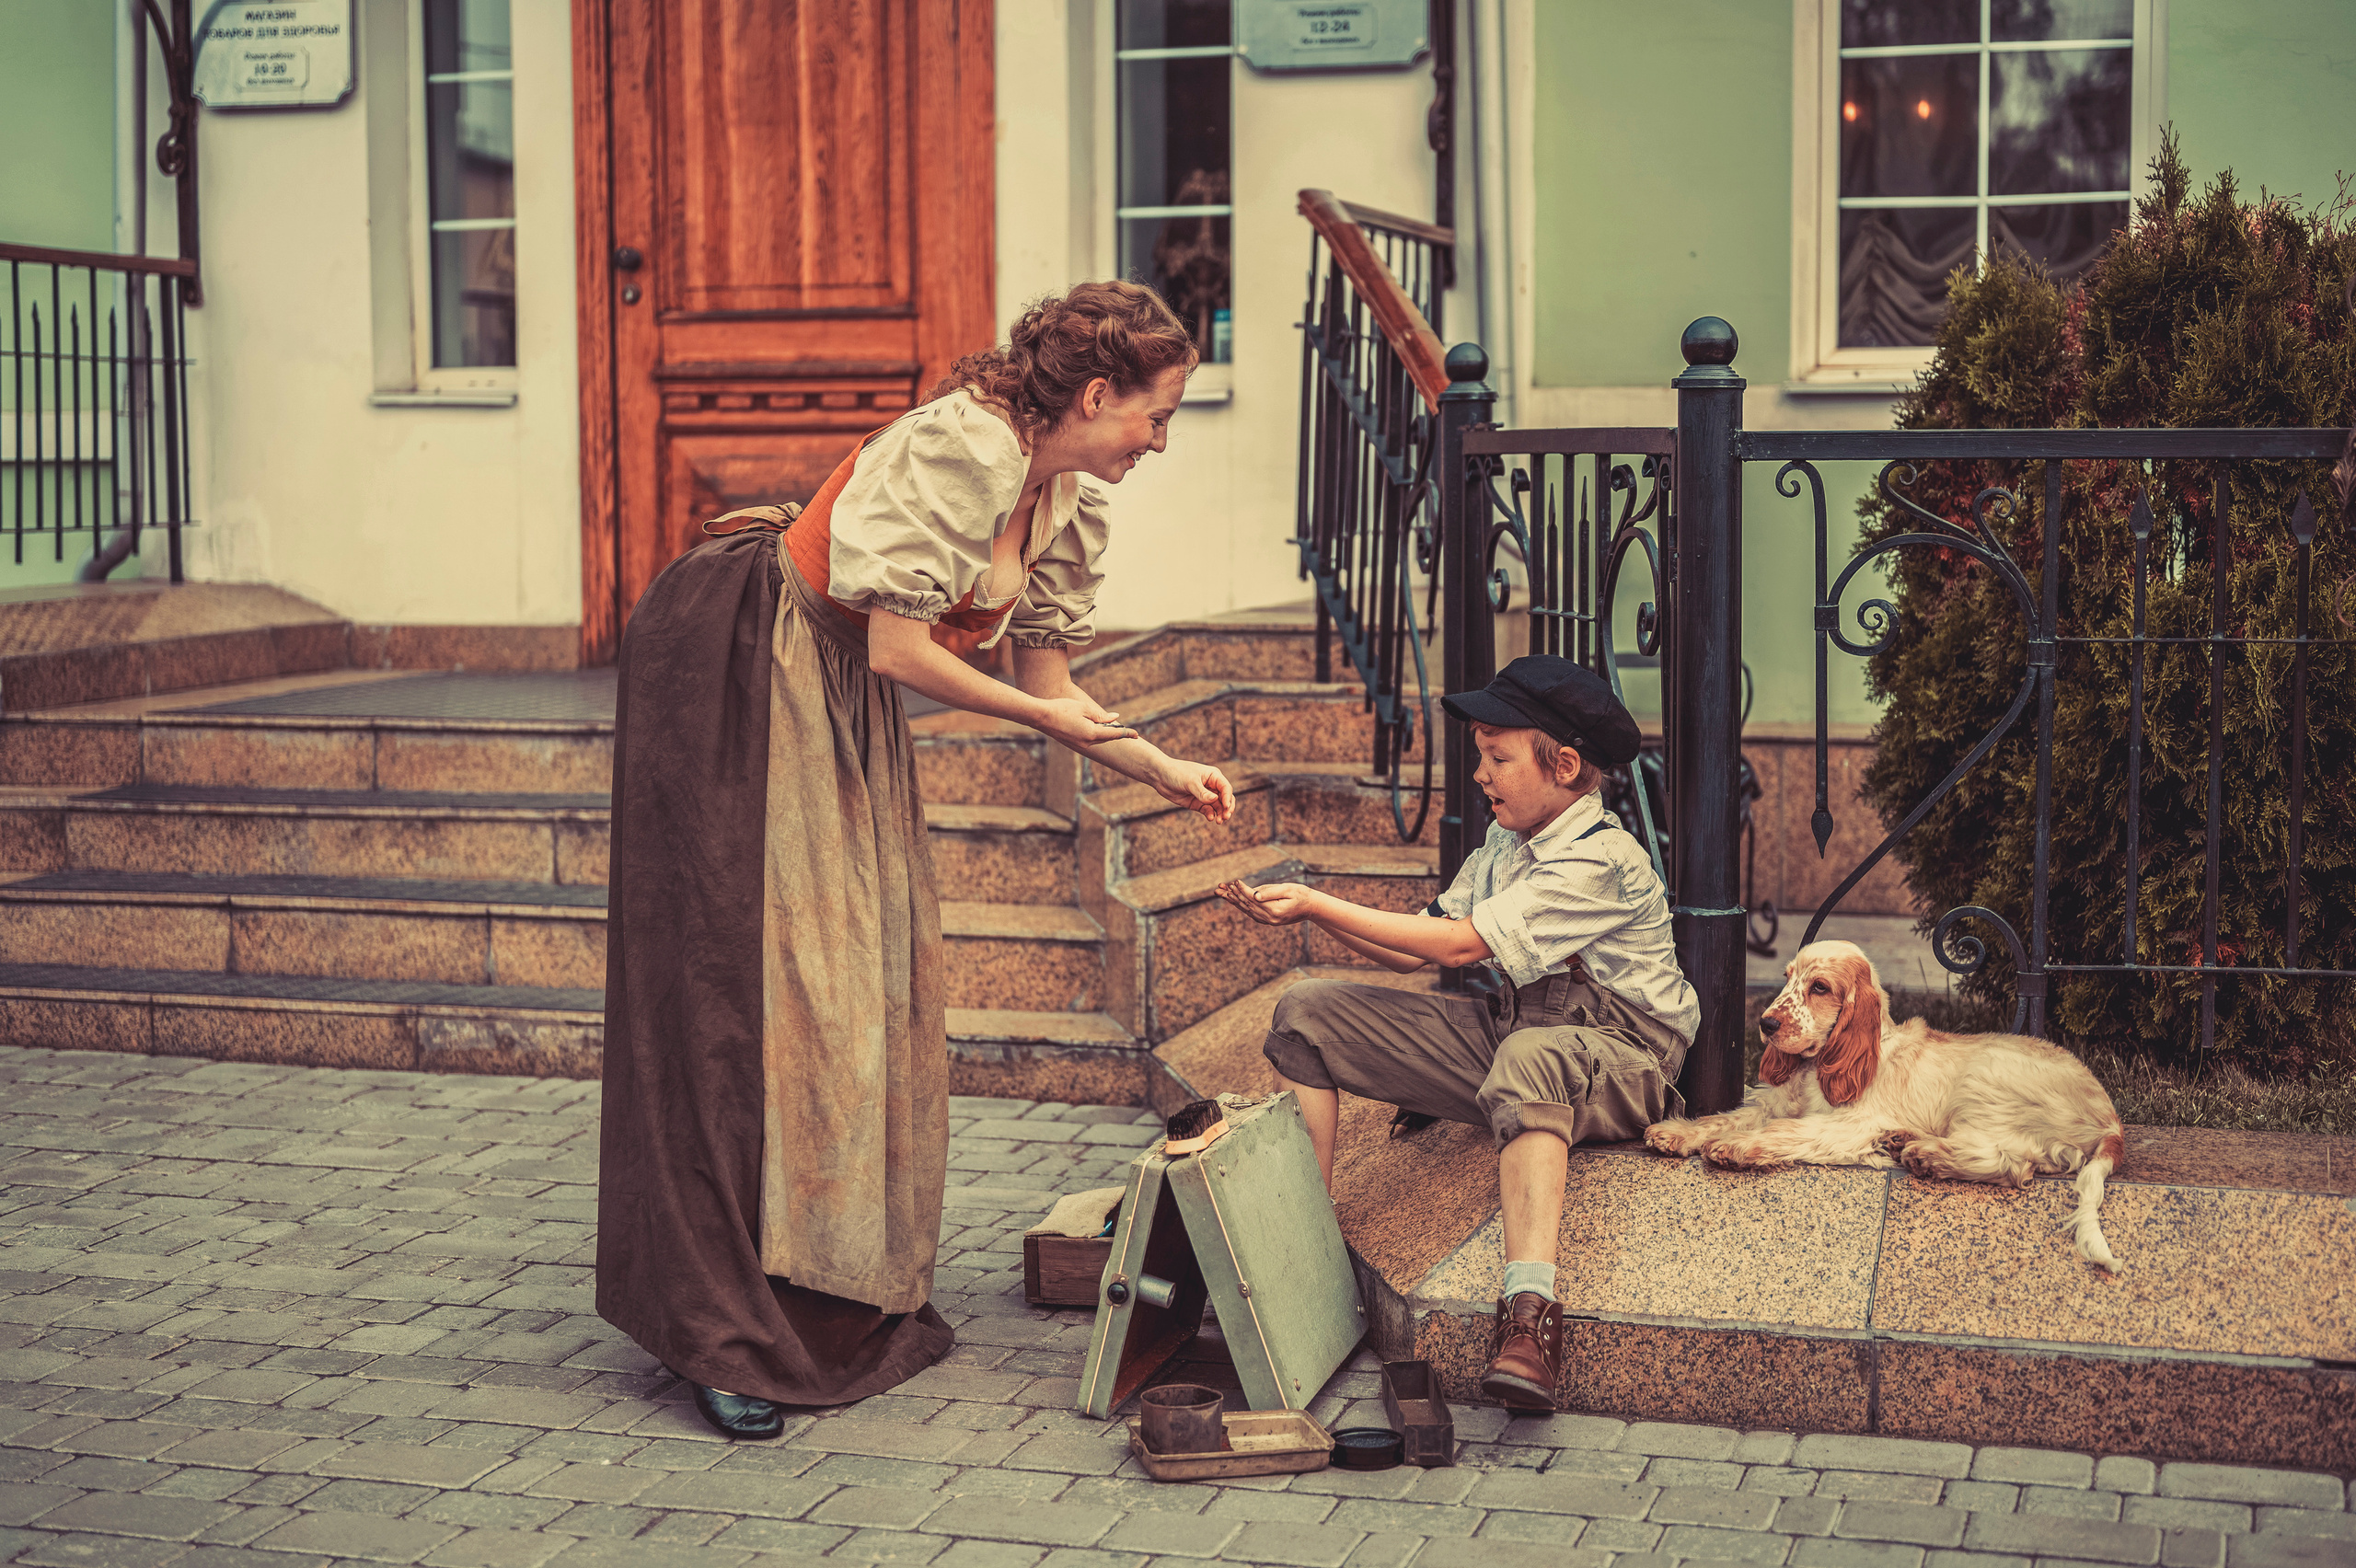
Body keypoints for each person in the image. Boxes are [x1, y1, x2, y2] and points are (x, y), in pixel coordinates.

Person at [598, 282, 1238, 1440]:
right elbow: (900, 647)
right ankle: (716, 1326)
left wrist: (1159, 767)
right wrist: (1050, 728)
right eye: (1156, 415)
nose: (1159, 440)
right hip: (743, 666)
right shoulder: (964, 448)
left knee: (856, 996)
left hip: (837, 699)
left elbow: (1051, 687)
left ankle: (817, 1292)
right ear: (1096, 396)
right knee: (743, 993)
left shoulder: (1066, 504)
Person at [1215, 655, 1695, 1411]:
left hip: (1621, 1060)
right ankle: (1300, 1250)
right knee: (1307, 1010)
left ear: (1565, 765)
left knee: (1528, 1059)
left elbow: (1462, 948)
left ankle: (1530, 1318)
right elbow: (1425, 940)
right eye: (1481, 755)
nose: (1481, 774)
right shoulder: (1507, 845)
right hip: (1515, 1037)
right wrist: (1310, 914)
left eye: (1499, 757)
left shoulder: (1600, 859)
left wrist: (1317, 905)